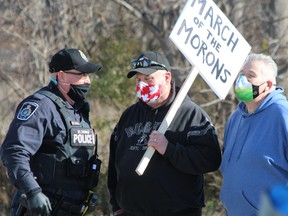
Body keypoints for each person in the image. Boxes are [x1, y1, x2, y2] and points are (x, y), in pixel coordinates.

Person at [107, 50, 222, 216]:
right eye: (138, 80)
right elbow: (115, 161)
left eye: (148, 79)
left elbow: (210, 159)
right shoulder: (129, 115)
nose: (142, 85)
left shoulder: (190, 114)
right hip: (130, 211)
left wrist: (169, 149)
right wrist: (115, 205)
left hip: (177, 211)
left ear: (167, 78)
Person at [0, 48, 102, 216]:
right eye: (81, 75)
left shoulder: (78, 109)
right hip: (41, 209)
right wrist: (32, 191)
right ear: (61, 76)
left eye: (88, 75)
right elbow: (14, 151)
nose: (87, 81)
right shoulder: (41, 106)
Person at [220, 53, 288, 216]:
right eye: (242, 74)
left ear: (268, 85)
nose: (243, 80)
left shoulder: (281, 114)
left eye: (251, 76)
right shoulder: (235, 118)